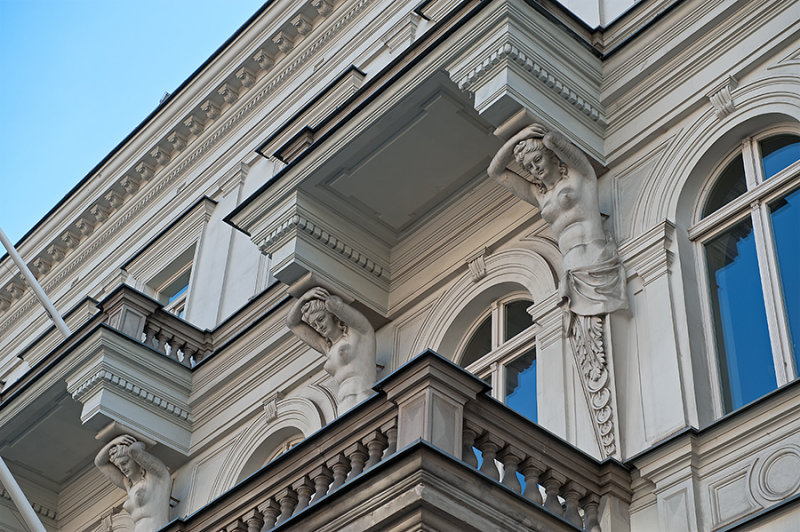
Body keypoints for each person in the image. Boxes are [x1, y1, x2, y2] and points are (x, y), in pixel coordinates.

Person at [488, 123, 627, 315]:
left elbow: (552, 139)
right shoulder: (538, 194)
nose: (535, 168)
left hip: (595, 256)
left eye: (537, 159)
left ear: (551, 156)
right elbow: (495, 172)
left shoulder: (579, 176)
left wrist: (543, 140)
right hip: (571, 268)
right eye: (529, 166)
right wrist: (519, 137)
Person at [287, 287, 376, 412]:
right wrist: (304, 298)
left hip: (363, 394)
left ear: (332, 315)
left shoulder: (359, 333)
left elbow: (339, 308)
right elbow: (292, 323)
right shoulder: (327, 347)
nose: (319, 327)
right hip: (343, 404)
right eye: (314, 325)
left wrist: (332, 304)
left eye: (321, 319)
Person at [94, 435, 171, 532]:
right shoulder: (128, 485)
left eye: (125, 462)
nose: (123, 468)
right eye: (119, 466)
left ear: (136, 461)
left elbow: (135, 450)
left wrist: (130, 445)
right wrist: (114, 442)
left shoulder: (157, 476)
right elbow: (99, 463)